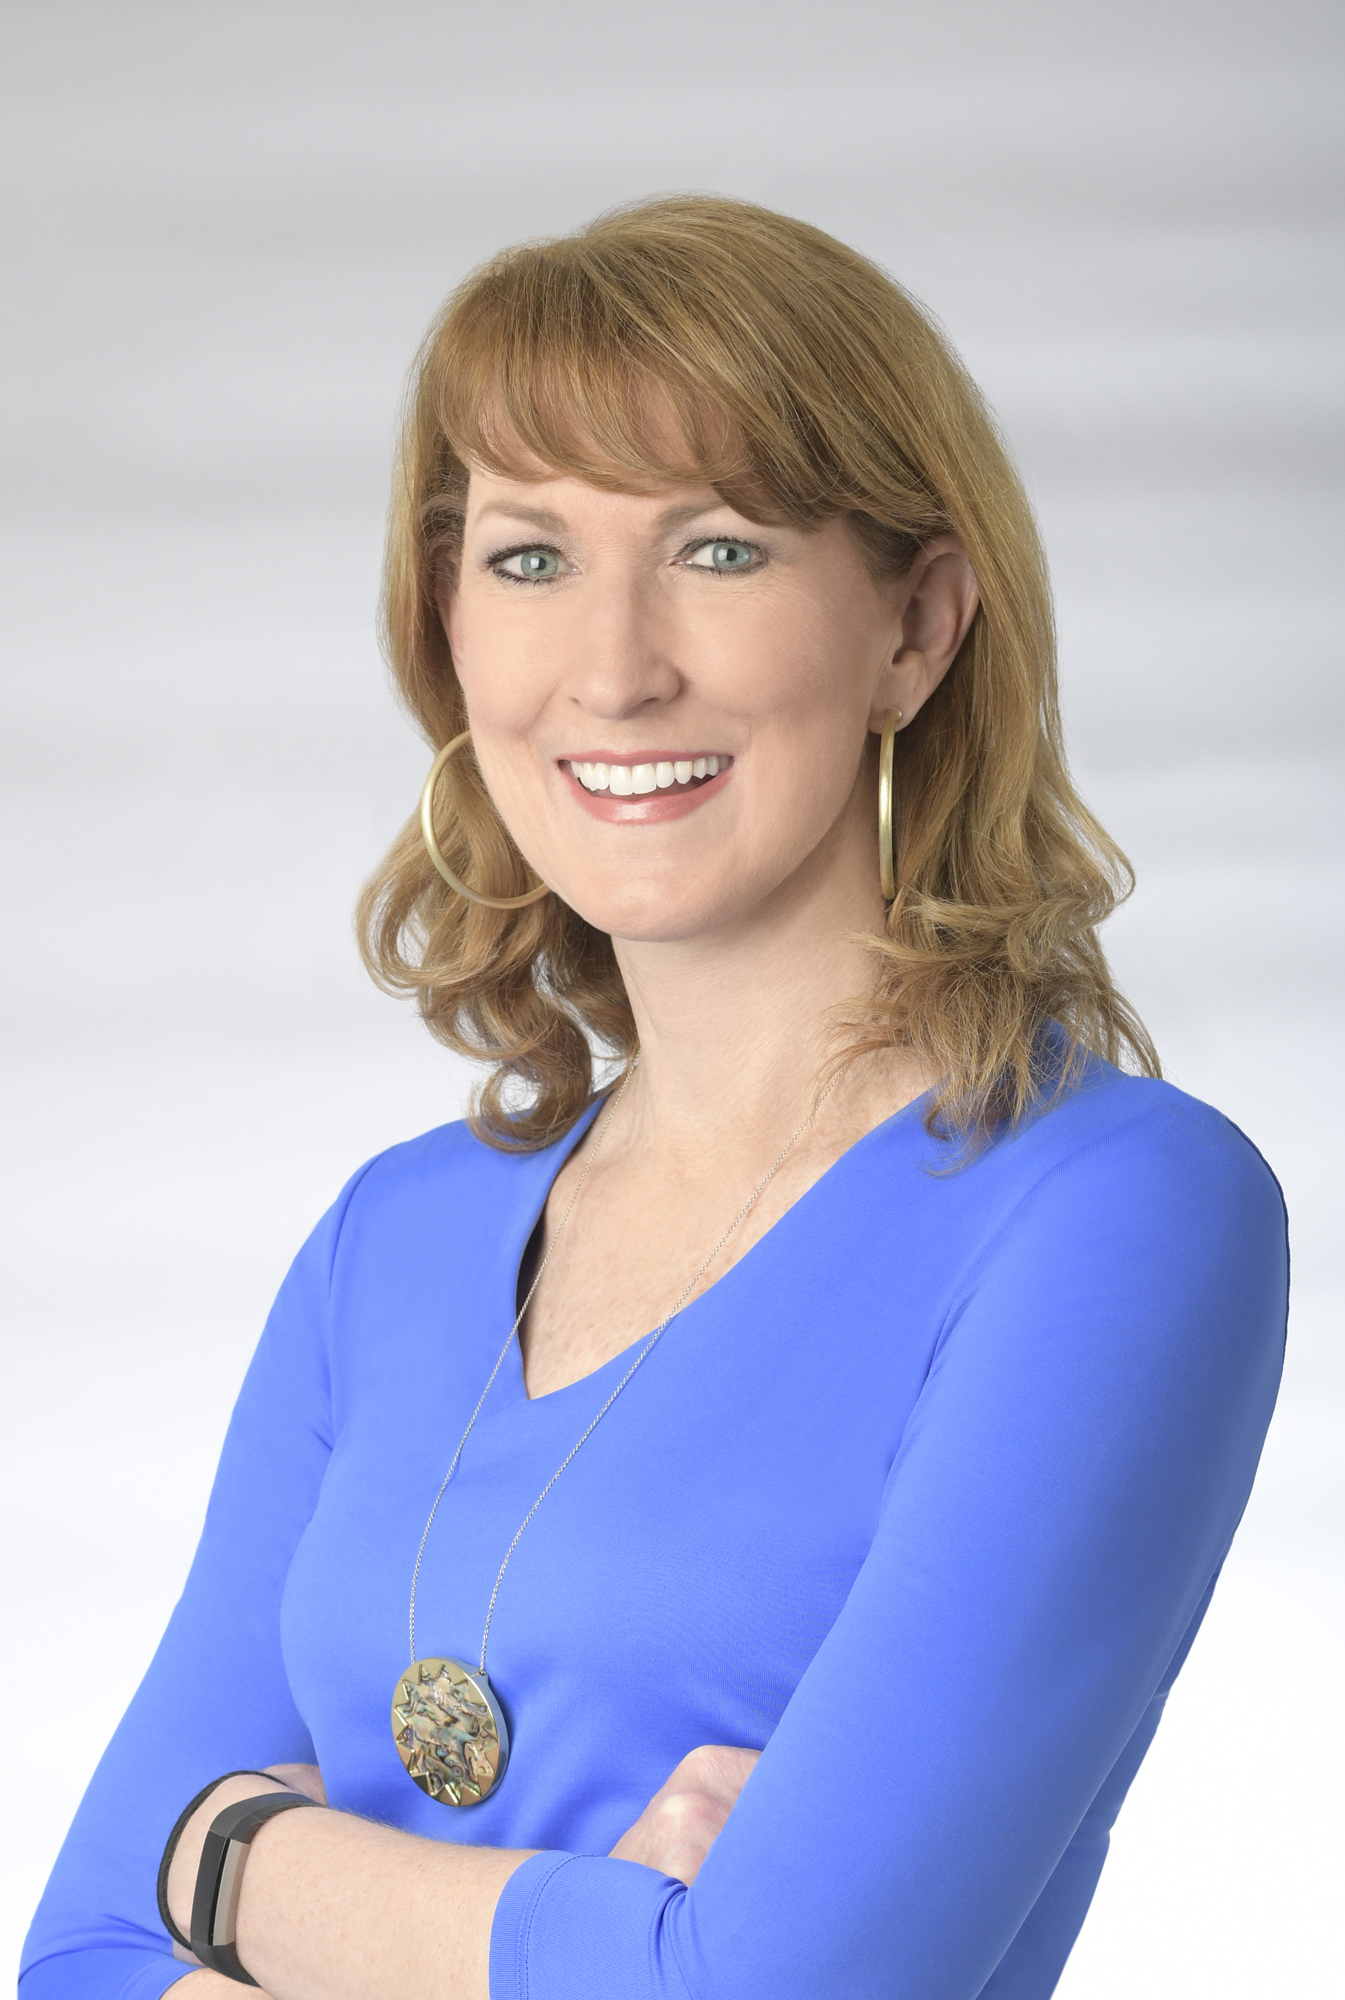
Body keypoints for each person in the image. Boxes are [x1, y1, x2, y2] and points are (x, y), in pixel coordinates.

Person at [21, 196, 1287, 2000]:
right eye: (529, 558)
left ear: (916, 629)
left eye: (717, 549)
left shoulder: (1113, 1210)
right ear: (445, 626)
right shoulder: (395, 1239)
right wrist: (597, 1940)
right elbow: (73, 1956)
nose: (613, 670)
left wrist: (232, 1862)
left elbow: (769, 1992)